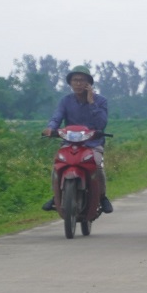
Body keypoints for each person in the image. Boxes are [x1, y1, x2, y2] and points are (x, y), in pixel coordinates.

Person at [42, 65, 112, 213]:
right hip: (69, 143)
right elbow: (57, 117)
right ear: (70, 83)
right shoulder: (65, 101)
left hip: (92, 144)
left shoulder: (101, 101)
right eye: (75, 80)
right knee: (57, 166)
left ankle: (103, 197)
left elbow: (102, 123)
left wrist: (91, 102)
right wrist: (50, 128)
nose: (78, 83)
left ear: (89, 83)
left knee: (98, 166)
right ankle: (57, 196)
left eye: (82, 80)